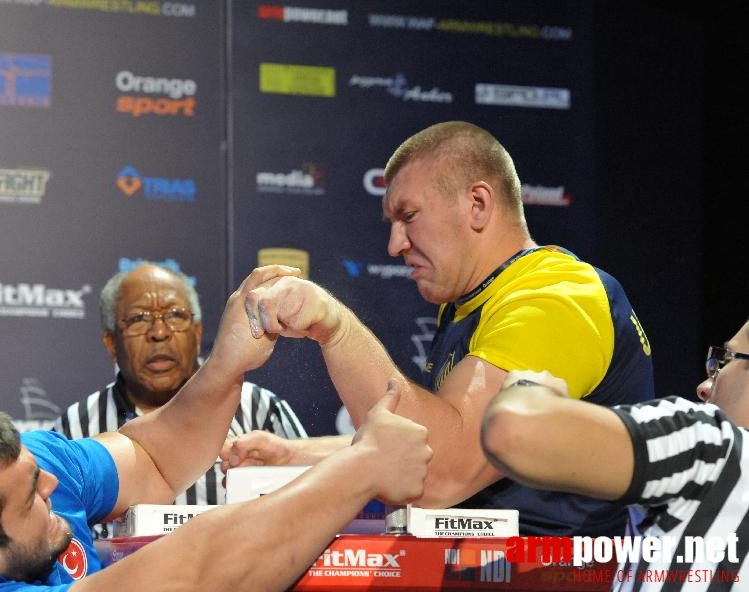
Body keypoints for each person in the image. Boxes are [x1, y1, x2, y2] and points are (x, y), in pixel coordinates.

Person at [0, 265, 433, 592]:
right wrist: (361, 467)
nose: (50, 485)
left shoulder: (22, 467)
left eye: (36, 472)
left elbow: (152, 457)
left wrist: (227, 362)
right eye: (30, 495)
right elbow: (201, 571)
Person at [223, 120, 654, 537]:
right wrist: (297, 454)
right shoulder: (472, 303)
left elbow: (439, 475)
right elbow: (423, 444)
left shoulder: (557, 297)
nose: (395, 245)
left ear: (478, 205)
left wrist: (336, 328)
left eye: (408, 216)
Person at [480, 317, 749, 588]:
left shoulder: (710, 443)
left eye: (724, 360)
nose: (703, 387)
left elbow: (514, 431)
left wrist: (530, 387)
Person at [53, 262, 307, 513]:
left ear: (197, 334)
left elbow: (311, 502)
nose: (159, 332)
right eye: (139, 319)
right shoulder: (76, 428)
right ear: (111, 343)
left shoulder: (259, 409)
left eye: (175, 315)